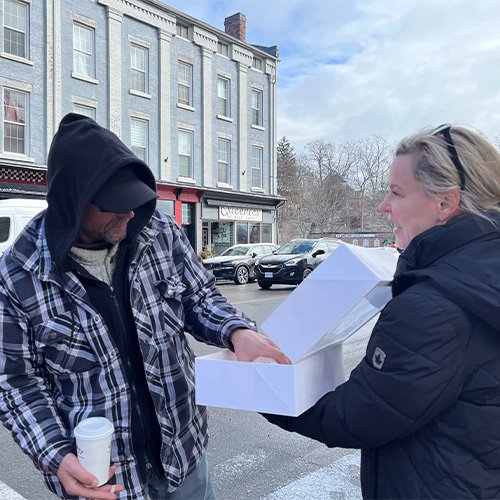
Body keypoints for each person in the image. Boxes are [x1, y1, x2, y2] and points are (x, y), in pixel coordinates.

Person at [0, 113, 289, 500]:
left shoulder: (160, 233)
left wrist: (238, 332)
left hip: (185, 461)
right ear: (74, 204)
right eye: (115, 205)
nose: (130, 213)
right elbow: (15, 380)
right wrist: (54, 453)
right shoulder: (20, 273)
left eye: (135, 199)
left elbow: (199, 297)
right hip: (104, 482)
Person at [263, 124, 500, 498]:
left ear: (445, 203)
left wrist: (263, 389)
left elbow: (360, 416)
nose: (383, 206)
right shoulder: (482, 273)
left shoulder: (431, 307)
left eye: (396, 192)